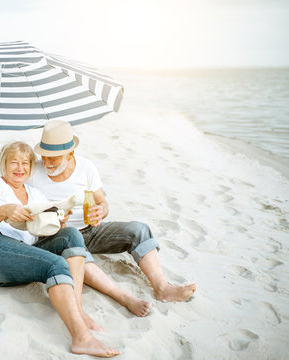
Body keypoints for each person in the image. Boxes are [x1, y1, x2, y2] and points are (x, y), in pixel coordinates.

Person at [0, 141, 120, 358]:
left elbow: (46, 230)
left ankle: (76, 307)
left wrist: (59, 221)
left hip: (20, 253)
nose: (20, 168)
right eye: (14, 162)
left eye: (25, 163)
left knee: (71, 235)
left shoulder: (35, 194)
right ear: (4, 164)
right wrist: (5, 210)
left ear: (31, 167)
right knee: (55, 263)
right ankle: (82, 338)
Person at [29, 120, 197, 303]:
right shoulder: (34, 172)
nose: (46, 161)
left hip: (89, 230)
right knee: (75, 253)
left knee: (139, 229)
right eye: (44, 155)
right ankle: (122, 296)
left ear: (70, 154)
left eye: (53, 157)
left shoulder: (86, 168)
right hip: (57, 237)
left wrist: (101, 210)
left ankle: (162, 288)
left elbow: (102, 202)